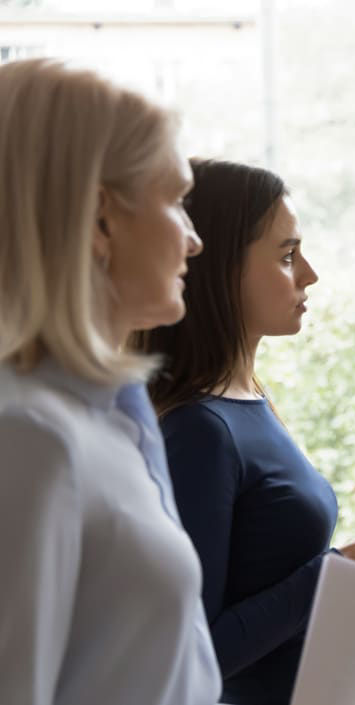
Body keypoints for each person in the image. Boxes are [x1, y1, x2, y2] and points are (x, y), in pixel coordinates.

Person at [133, 159, 355, 705]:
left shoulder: (250, 400)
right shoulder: (200, 430)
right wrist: (347, 568)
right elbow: (197, 652)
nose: (309, 273)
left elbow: (278, 598)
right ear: (223, 267)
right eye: (287, 255)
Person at [0, 58, 220, 704]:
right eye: (177, 200)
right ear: (101, 220)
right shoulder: (30, 435)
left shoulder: (115, 417)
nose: (195, 238)